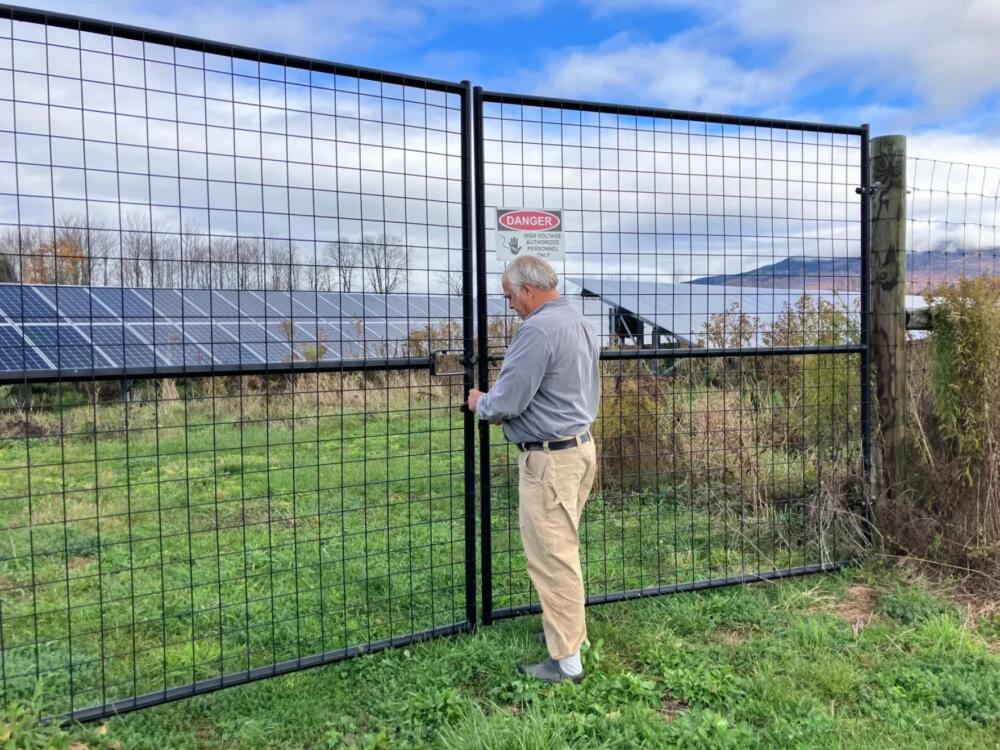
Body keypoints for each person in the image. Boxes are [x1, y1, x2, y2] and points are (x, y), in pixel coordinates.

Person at [467, 255, 600, 684]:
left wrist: (479, 403)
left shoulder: (538, 329)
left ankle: (566, 663)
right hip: (579, 449)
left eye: (510, 297)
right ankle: (572, 636)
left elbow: (507, 401)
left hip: (549, 461)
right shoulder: (577, 319)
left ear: (528, 289)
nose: (509, 306)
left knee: (552, 558)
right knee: (564, 550)